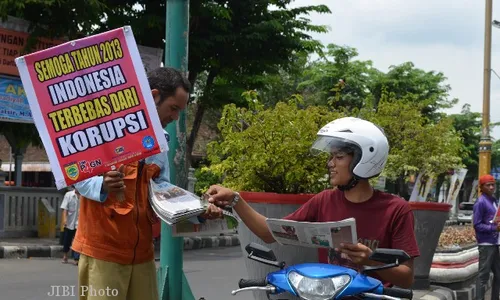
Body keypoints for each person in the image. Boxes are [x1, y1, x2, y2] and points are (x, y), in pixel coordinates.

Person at [205, 117, 420, 288]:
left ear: (363, 159)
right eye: (330, 156)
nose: (330, 164)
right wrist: (236, 199)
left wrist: (371, 259)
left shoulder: (396, 210)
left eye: (338, 157)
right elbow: (269, 233)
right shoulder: (324, 200)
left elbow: (407, 278)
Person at [72, 67, 221, 300]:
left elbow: (163, 192)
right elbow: (76, 175)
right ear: (153, 96)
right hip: (103, 253)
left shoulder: (161, 142)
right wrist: (101, 184)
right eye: (173, 108)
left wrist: (199, 210)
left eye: (180, 111)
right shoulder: (102, 131)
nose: (175, 117)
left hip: (142, 255)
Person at [473, 174, 500, 300]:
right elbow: (477, 225)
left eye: (493, 184)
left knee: (498, 275)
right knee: (483, 276)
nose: (491, 187)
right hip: (486, 244)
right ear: (481, 187)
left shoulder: (494, 200)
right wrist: (494, 228)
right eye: (488, 185)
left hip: (495, 242)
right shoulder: (480, 202)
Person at [60, 186, 80, 265]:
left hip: (79, 223)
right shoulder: (68, 195)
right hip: (69, 222)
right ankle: (65, 255)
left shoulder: (84, 197)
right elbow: (65, 208)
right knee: (67, 240)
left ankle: (76, 258)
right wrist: (64, 219)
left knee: (77, 240)